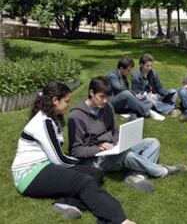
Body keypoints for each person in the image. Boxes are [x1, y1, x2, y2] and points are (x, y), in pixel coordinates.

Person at [11, 82, 135, 223]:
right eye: (67, 101)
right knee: (85, 182)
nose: (69, 104)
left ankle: (67, 203)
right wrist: (80, 161)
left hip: (45, 165)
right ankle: (120, 220)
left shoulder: (51, 117)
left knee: (96, 172)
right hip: (29, 174)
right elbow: (59, 160)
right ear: (55, 101)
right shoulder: (43, 122)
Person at [68, 77, 187, 192]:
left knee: (153, 142)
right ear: (91, 92)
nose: (105, 101)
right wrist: (99, 148)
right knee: (128, 155)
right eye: (101, 97)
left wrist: (118, 143)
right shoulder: (76, 116)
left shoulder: (107, 107)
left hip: (112, 149)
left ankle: (136, 176)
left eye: (107, 97)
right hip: (94, 159)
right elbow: (76, 151)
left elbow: (114, 131)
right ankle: (163, 171)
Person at [107, 56, 164, 121]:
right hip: (111, 105)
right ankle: (147, 112)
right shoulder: (112, 76)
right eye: (128, 70)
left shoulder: (123, 77)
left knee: (143, 97)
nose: (130, 72)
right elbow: (121, 89)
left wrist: (136, 96)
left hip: (121, 103)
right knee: (127, 94)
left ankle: (134, 112)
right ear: (121, 68)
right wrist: (133, 94)